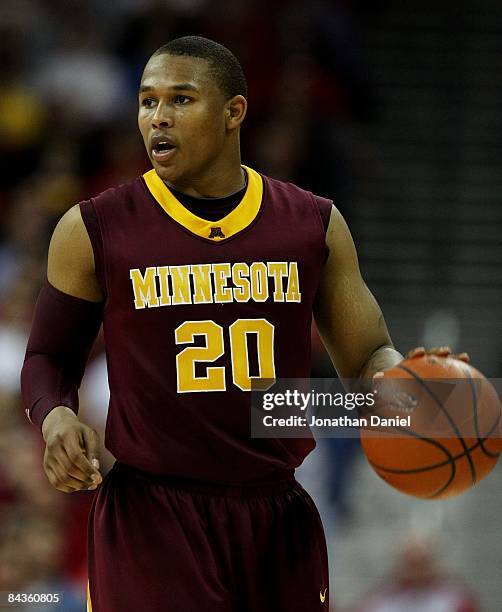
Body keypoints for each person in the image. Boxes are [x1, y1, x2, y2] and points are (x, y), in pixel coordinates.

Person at [21, 36, 467, 612]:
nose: (158, 116)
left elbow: (368, 353)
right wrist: (54, 416)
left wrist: (396, 381)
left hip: (276, 512)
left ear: (234, 112)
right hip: (152, 514)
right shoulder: (93, 227)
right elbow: (47, 358)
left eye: (181, 100)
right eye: (147, 100)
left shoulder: (312, 223)